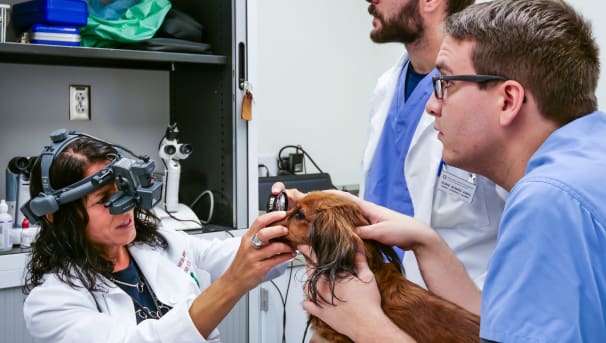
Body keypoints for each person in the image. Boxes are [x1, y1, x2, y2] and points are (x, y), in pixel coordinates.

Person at [301, 0, 606, 342]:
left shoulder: (548, 202)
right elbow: (499, 321)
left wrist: (364, 324)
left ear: (507, 101)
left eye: (445, 82)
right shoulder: (590, 160)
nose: (431, 105)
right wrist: (426, 241)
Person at [22, 132, 296, 342]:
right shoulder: (51, 305)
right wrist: (232, 284)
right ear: (56, 215)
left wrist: (293, 225)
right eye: (105, 199)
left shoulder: (159, 243)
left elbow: (231, 255)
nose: (126, 206)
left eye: (125, 190)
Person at [359, 0, 505, 288]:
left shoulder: (486, 94)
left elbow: (531, 228)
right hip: (381, 298)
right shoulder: (386, 87)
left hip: (458, 314)